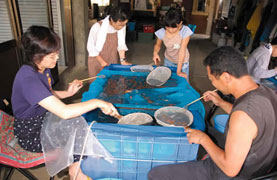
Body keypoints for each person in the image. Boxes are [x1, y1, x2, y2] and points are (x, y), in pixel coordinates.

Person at [148, 46, 277, 180]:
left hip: (237, 174)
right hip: (263, 163)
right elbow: (253, 121)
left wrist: (204, 140)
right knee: (204, 129)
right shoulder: (266, 92)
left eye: (212, 79)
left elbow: (230, 169)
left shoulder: (242, 117)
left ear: (226, 77)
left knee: (155, 174)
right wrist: (221, 103)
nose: (213, 84)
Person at [11, 26, 120, 180]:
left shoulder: (42, 68)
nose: (56, 59)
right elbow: (64, 111)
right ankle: (75, 173)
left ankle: (74, 168)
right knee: (76, 135)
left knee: (78, 125)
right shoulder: (29, 80)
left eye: (57, 54)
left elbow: (47, 95)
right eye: (52, 56)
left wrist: (68, 93)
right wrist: (97, 102)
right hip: (30, 132)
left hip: (43, 118)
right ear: (36, 56)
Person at [87, 6, 131, 82]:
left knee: (111, 82)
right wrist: (101, 61)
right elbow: (91, 47)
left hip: (111, 58)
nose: (121, 27)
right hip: (96, 59)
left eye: (124, 24)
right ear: (112, 20)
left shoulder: (121, 27)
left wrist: (123, 61)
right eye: (119, 25)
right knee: (97, 83)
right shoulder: (97, 27)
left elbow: (121, 44)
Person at [152, 8, 193, 80]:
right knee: (168, 81)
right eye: (167, 27)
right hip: (168, 60)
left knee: (183, 83)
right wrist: (155, 53)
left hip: (183, 62)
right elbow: (158, 45)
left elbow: (182, 51)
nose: (170, 30)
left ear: (180, 23)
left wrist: (179, 71)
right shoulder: (161, 32)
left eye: (174, 27)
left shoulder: (185, 31)